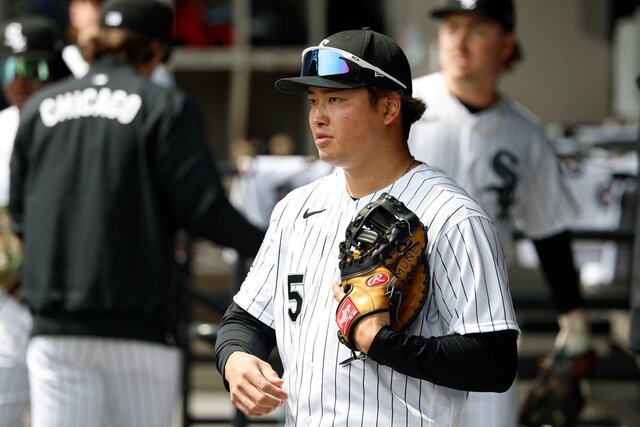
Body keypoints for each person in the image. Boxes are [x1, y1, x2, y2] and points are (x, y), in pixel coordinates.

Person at [214, 28, 519, 426]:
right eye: (313, 100)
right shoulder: (295, 209)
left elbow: (496, 360)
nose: (318, 116)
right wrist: (236, 359)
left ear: (389, 108)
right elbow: (245, 320)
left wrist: (381, 342)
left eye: (336, 99)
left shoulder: (453, 216)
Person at [8, 1, 264, 426]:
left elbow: (20, 214)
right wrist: (271, 243)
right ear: (156, 49)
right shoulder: (163, 106)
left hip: (55, 324)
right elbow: (202, 208)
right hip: (138, 323)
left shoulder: (39, 108)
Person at [407, 1, 594, 426]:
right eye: (451, 27)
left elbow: (550, 232)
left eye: (477, 30)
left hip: (484, 319)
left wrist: (576, 320)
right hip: (400, 314)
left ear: (506, 45)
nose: (459, 41)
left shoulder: (526, 135)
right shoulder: (400, 109)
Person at [0, 14, 70, 426]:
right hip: (9, 301)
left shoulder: (77, 122)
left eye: (34, 69)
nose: (20, 82)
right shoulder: (2, 128)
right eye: (9, 68)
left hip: (66, 303)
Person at [63, 0, 175, 87]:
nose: (109, 8)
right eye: (99, 4)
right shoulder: (58, 62)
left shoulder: (158, 75)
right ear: (75, 11)